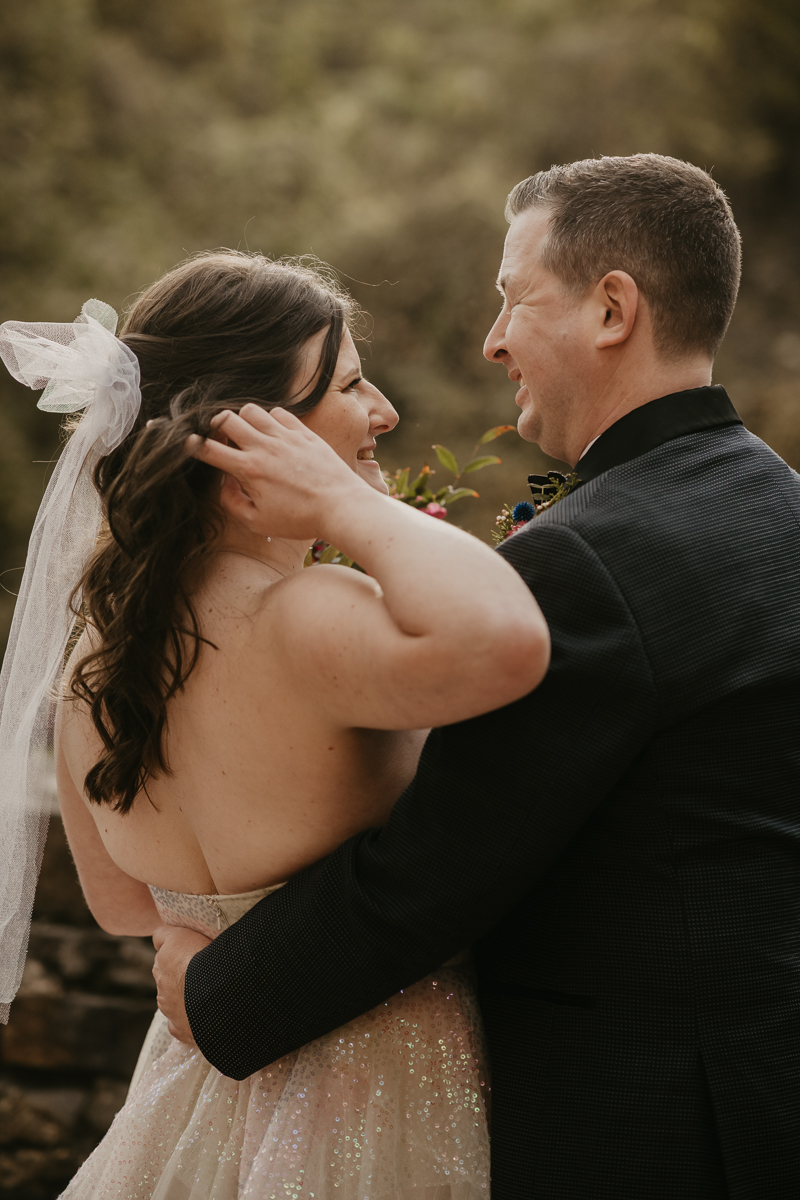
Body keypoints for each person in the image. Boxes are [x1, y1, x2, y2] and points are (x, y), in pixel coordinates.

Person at [155, 154, 800, 1200]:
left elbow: (435, 870)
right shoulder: (776, 507)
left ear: (610, 309)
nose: (492, 339)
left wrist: (217, 993)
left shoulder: (590, 556)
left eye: (512, 298)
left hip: (649, 1130)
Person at [0, 253, 550, 1199]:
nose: (383, 412)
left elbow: (126, 910)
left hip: (195, 1089)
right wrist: (350, 505)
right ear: (250, 434)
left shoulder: (95, 665)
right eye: (348, 385)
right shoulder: (302, 619)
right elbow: (504, 641)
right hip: (384, 1093)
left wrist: (206, 930)